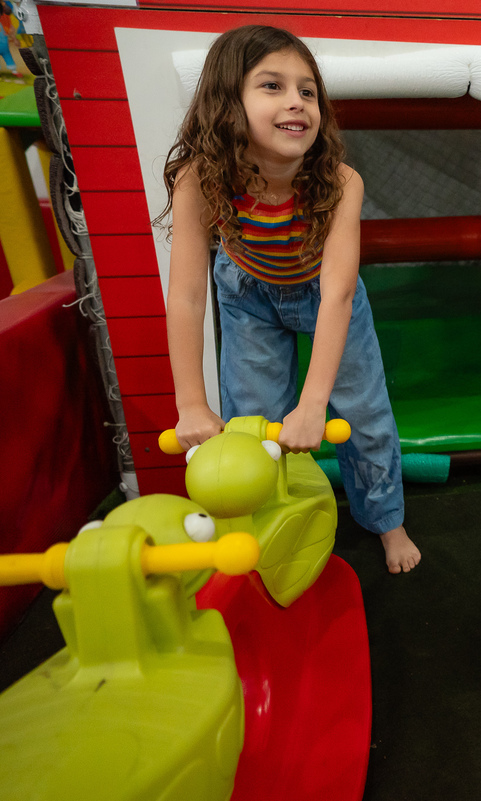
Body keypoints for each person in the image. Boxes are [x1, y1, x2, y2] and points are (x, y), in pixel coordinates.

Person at [156, 24, 420, 573]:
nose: (296, 102)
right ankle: (266, 519)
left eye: (307, 91)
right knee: (251, 417)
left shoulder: (341, 182)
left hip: (321, 291)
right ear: (228, 101)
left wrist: (314, 403)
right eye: (272, 86)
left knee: (365, 414)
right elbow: (185, 295)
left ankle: (386, 520)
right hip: (247, 292)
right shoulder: (199, 178)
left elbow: (339, 295)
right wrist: (190, 403)